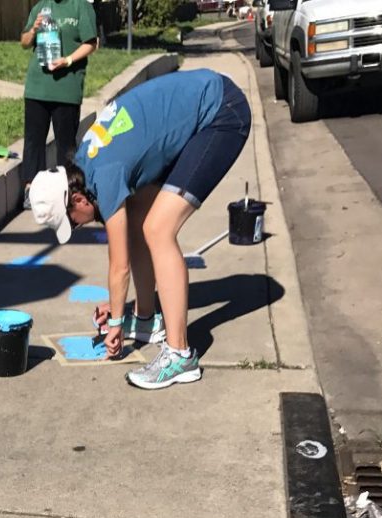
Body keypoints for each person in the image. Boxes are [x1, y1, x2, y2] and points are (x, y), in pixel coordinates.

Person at [28, 68, 251, 389]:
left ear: (76, 199)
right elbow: (125, 234)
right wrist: (126, 311)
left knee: (159, 229)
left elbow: (119, 266)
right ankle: (146, 319)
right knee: (137, 220)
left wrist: (117, 320)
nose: (78, 226)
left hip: (221, 112)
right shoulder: (87, 163)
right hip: (204, 104)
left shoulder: (105, 174)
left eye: (72, 221)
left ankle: (179, 355)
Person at [19, 0, 98, 209]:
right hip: (37, 87)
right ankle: (31, 190)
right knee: (33, 142)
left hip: (67, 89)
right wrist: (34, 29)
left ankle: (67, 192)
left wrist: (68, 60)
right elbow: (24, 41)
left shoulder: (81, 6)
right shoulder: (40, 6)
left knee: (66, 145)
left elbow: (92, 43)